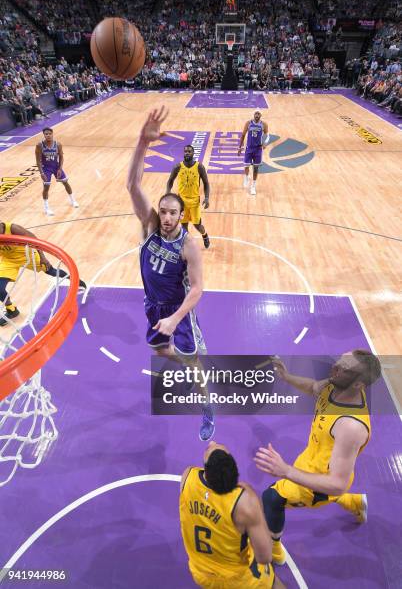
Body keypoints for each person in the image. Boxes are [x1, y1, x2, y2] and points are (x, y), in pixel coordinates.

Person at [126, 106, 214, 441]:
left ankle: (208, 413)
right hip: (153, 306)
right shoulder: (148, 227)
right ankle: (188, 363)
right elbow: (132, 184)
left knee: (198, 370)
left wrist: (176, 319)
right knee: (159, 350)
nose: (165, 217)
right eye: (162, 211)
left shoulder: (188, 246)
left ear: (181, 215)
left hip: (180, 313)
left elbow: (197, 290)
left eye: (172, 213)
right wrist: (141, 142)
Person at [254, 350, 381, 566]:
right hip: (313, 458)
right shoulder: (337, 383)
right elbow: (314, 387)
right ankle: (355, 503)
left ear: (359, 384)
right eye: (339, 361)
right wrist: (287, 377)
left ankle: (274, 548)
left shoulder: (351, 426)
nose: (336, 368)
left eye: (344, 368)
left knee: (271, 498)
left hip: (320, 484)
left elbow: (337, 484)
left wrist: (286, 471)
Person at [180, 441, 285, 588]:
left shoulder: (187, 477)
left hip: (201, 573)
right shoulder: (244, 501)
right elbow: (265, 557)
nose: (212, 442)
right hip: (239, 580)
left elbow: (207, 504)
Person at [0, 221, 86, 327]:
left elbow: (34, 239)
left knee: (51, 271)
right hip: (9, 261)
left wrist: (43, 257)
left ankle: (75, 280)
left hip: (27, 256)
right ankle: (12, 310)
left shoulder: (13, 228)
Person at [166, 145, 211, 249]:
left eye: (189, 151)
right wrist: (167, 193)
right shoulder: (177, 167)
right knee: (183, 226)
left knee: (197, 225)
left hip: (194, 201)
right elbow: (170, 181)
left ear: (193, 153)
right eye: (185, 151)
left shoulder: (199, 167)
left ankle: (205, 235)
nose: (187, 153)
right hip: (181, 201)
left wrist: (207, 198)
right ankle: (186, 246)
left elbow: (206, 183)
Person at [35, 127, 79, 216]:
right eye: (46, 134)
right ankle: (47, 208)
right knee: (46, 187)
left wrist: (59, 168)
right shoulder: (39, 145)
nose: (48, 135)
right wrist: (41, 173)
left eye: (49, 133)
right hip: (46, 168)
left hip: (55, 166)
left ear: (52, 134)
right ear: (44, 135)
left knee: (66, 183)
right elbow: (38, 161)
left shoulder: (58, 144)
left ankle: (73, 200)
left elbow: (61, 157)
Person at [237, 110, 269, 195]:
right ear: (253, 114)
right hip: (249, 148)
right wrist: (240, 147)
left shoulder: (264, 125)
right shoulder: (248, 123)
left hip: (258, 149)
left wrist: (265, 143)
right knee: (246, 166)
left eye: (258, 114)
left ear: (261, 115)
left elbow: (267, 135)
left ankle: (253, 186)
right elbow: (243, 135)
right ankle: (247, 177)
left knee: (255, 168)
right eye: (256, 113)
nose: (257, 115)